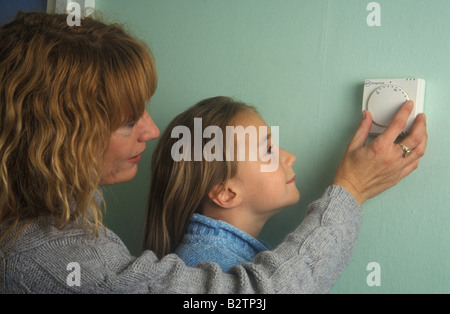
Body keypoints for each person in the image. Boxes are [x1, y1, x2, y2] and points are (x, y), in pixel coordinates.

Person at [0, 12, 427, 294]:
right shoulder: (42, 259)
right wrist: (351, 188)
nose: (151, 130)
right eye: (128, 121)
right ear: (61, 138)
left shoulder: (62, 218)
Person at [144, 97, 300, 272]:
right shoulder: (209, 269)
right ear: (225, 193)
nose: (290, 157)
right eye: (269, 150)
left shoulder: (225, 257)